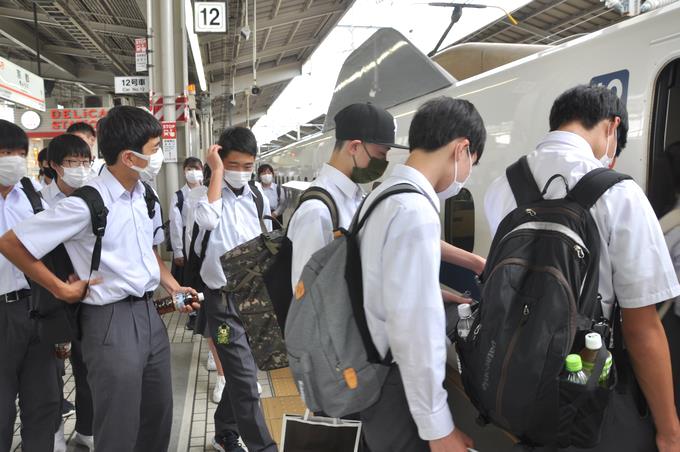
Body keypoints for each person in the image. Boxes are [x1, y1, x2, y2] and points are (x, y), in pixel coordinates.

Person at [484, 85, 680, 451]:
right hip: (588, 384)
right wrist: (670, 430)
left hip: (515, 376)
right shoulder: (620, 194)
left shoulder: (502, 187)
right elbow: (641, 329)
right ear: (612, 126)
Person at [0, 106, 199, 452]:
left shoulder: (143, 196)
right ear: (128, 156)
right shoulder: (85, 204)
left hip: (151, 318)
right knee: (119, 425)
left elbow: (147, 252)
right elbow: (12, 243)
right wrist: (60, 288)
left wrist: (172, 285)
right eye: (154, 149)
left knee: (158, 414)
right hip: (109, 322)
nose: (158, 157)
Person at [355, 97, 484, 452]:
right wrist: (439, 428)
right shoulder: (415, 211)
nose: (467, 175)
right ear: (462, 149)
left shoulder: (382, 196)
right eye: (472, 163)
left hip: (370, 371)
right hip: (394, 386)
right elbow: (415, 331)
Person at [194, 126, 276, 452]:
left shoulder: (257, 196)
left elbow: (264, 241)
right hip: (222, 306)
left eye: (248, 166)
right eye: (234, 165)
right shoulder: (204, 196)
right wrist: (215, 172)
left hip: (253, 299)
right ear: (219, 159)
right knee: (244, 379)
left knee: (244, 371)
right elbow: (209, 221)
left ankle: (224, 431)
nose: (241, 172)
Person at [288, 103, 407, 289]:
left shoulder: (356, 197)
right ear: (354, 147)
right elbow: (305, 291)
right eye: (380, 154)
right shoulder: (317, 210)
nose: (383, 162)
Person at [0, 120, 61, 452]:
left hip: (35, 308)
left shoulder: (31, 196)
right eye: (5, 152)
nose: (13, 159)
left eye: (19, 153)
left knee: (44, 402)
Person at [42, 133, 96, 451]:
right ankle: (54, 432)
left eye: (84, 162)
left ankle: (87, 430)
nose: (79, 168)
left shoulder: (93, 197)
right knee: (50, 369)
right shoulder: (39, 201)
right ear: (53, 166)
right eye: (71, 163)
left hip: (84, 296)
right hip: (48, 294)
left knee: (86, 365)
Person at [257, 164, 287, 229]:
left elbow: (283, 204)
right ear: (259, 176)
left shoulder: (278, 189)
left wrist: (275, 213)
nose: (266, 175)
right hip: (260, 218)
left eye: (269, 173)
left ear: (272, 175)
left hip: (275, 218)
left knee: (276, 236)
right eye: (263, 173)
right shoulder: (256, 189)